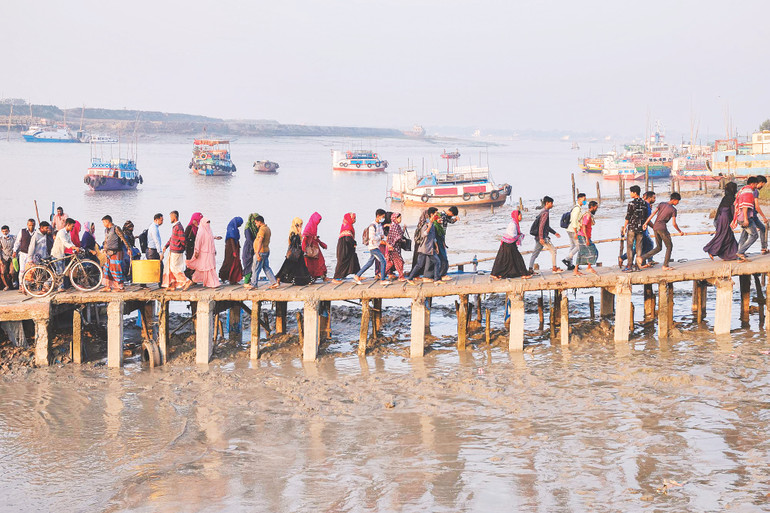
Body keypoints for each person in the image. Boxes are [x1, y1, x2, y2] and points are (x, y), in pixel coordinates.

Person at [641, 192, 683, 271]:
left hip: (655, 227)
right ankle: (665, 265)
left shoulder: (661, 204)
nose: (678, 203)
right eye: (678, 201)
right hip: (662, 228)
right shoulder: (673, 210)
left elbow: (653, 214)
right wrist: (680, 231)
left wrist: (646, 223)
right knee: (669, 246)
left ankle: (642, 257)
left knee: (659, 247)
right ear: (674, 200)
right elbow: (674, 223)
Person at [491, 209, 531, 280]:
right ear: (517, 216)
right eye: (520, 216)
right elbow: (512, 235)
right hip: (508, 243)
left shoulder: (515, 223)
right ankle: (523, 274)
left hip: (509, 243)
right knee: (516, 258)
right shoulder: (513, 224)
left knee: (505, 259)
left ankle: (497, 274)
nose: (521, 217)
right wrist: (519, 236)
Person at [704, 182, 739, 261]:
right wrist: (735, 220)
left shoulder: (725, 197)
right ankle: (711, 250)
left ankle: (730, 255)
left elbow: (720, 209)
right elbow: (732, 210)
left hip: (721, 218)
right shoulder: (731, 198)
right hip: (725, 218)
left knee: (728, 236)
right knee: (723, 235)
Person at [528, 196, 562, 274]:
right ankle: (554, 268)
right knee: (553, 250)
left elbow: (545, 226)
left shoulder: (542, 212)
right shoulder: (545, 213)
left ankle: (530, 269)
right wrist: (541, 238)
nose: (552, 205)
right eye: (551, 203)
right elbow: (541, 226)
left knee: (535, 253)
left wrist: (554, 232)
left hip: (539, 237)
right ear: (547, 203)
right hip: (542, 237)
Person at [275, 217, 313, 287]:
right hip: (296, 254)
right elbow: (294, 244)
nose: (301, 226)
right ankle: (279, 279)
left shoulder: (295, 233)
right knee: (289, 267)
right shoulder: (294, 234)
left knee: (298, 268)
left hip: (296, 253)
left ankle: (306, 280)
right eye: (299, 224)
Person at [354, 209, 389, 285]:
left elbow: (382, 235)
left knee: (370, 263)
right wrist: (380, 237)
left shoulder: (379, 225)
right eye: (382, 217)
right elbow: (372, 238)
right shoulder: (372, 226)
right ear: (378, 216)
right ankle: (382, 280)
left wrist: (383, 238)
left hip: (377, 246)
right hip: (373, 247)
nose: (383, 218)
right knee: (383, 261)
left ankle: (357, 275)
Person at [407, 211, 441, 284]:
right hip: (424, 249)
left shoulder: (433, 225)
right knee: (419, 264)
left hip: (430, 249)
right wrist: (429, 227)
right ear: (431, 215)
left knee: (437, 262)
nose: (436, 216)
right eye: (435, 214)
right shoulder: (425, 225)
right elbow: (424, 234)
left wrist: (436, 247)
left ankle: (436, 279)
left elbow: (434, 237)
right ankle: (410, 278)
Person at [161, 210, 192, 290]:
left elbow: (183, 240)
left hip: (177, 251)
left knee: (175, 268)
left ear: (175, 217)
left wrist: (181, 248)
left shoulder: (179, 227)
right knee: (170, 268)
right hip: (173, 250)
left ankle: (187, 281)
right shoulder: (175, 226)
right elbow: (172, 238)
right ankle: (172, 285)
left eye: (171, 217)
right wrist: (166, 246)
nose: (170, 219)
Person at [186, 217, 220, 288]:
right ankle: (211, 282)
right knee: (207, 267)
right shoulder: (201, 232)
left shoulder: (209, 231)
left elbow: (211, 240)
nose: (208, 224)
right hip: (204, 253)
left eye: (208, 223)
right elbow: (198, 242)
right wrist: (197, 251)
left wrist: (214, 250)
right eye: (206, 222)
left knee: (210, 267)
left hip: (210, 252)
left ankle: (205, 281)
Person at [245, 216, 276, 289]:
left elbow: (260, 241)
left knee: (255, 268)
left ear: (259, 222)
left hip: (261, 252)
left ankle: (253, 284)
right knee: (266, 267)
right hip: (266, 251)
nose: (256, 225)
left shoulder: (262, 230)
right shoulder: (267, 228)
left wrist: (257, 253)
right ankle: (274, 282)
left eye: (256, 223)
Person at [101, 216, 131, 292]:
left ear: (108, 221)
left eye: (104, 222)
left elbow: (123, 238)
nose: (103, 224)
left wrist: (128, 248)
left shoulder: (116, 228)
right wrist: (104, 249)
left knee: (116, 269)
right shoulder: (106, 230)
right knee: (106, 269)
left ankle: (121, 287)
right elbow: (106, 240)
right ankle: (107, 286)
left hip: (116, 252)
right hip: (108, 252)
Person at [621, 185, 647, 272]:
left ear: (634, 193)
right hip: (640, 228)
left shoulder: (631, 204)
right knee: (639, 247)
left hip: (632, 227)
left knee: (629, 246)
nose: (630, 194)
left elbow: (628, 216)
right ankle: (637, 265)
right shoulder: (644, 203)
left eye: (631, 192)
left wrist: (625, 227)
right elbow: (645, 216)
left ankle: (629, 265)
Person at [734, 177, 760, 261]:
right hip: (745, 217)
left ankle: (739, 257)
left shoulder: (743, 190)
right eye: (756, 184)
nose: (756, 186)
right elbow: (745, 206)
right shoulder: (748, 192)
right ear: (752, 184)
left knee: (744, 236)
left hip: (740, 217)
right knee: (754, 235)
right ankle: (740, 252)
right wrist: (746, 219)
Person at [333, 212, 360, 282]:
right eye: (353, 218)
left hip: (347, 246)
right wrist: (354, 243)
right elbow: (347, 238)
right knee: (342, 261)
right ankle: (336, 278)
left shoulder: (347, 225)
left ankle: (358, 274)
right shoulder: (348, 226)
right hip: (344, 247)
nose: (354, 220)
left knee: (354, 258)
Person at [50, 218, 77, 290]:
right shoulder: (61, 232)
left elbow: (70, 242)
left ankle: (59, 287)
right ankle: (55, 286)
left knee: (61, 272)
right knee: (59, 272)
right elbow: (65, 242)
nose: (73, 228)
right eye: (72, 226)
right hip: (56, 254)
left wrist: (76, 247)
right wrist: (73, 247)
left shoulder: (68, 233)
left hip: (61, 254)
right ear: (68, 225)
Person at [574, 201, 599, 276]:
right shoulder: (588, 215)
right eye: (596, 207)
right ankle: (587, 267)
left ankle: (586, 267)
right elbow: (584, 226)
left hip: (583, 236)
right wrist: (587, 238)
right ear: (593, 207)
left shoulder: (588, 214)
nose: (596, 209)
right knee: (594, 251)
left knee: (582, 252)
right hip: (583, 236)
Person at [562, 193, 586, 271]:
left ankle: (570, 264)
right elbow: (574, 221)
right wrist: (576, 232)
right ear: (579, 199)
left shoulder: (578, 208)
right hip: (573, 230)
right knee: (579, 246)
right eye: (584, 200)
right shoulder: (577, 209)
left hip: (570, 229)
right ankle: (567, 259)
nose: (585, 201)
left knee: (572, 246)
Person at [302, 212, 328, 282]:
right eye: (318, 220)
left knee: (320, 262)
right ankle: (313, 277)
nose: (319, 222)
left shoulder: (314, 226)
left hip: (315, 247)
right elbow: (305, 236)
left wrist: (320, 243)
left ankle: (322, 276)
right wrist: (304, 249)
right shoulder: (309, 226)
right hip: (310, 248)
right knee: (313, 263)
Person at [219, 217, 244, 284]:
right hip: (230, 248)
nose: (240, 225)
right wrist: (234, 251)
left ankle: (233, 279)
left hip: (234, 247)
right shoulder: (231, 229)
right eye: (240, 223)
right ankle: (224, 276)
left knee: (235, 262)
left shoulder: (235, 229)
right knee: (228, 262)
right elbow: (231, 239)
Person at [385, 212, 407, 281]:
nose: (400, 219)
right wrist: (402, 240)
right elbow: (397, 237)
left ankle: (382, 273)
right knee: (399, 261)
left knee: (391, 262)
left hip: (396, 247)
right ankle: (401, 276)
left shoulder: (397, 226)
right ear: (395, 218)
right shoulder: (394, 226)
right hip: (393, 247)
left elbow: (399, 235)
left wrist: (403, 229)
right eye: (399, 218)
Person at [184, 212, 203, 279]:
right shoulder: (189, 227)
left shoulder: (197, 228)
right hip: (189, 249)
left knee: (195, 263)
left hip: (194, 249)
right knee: (190, 263)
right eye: (198, 220)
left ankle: (193, 278)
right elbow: (185, 238)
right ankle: (188, 277)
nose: (198, 222)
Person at [752, 175, 769, 254]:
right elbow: (757, 207)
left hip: (749, 215)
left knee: (745, 234)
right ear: (761, 182)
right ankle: (763, 248)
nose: (762, 186)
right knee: (762, 228)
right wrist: (764, 217)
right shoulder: (755, 191)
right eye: (763, 184)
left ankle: (740, 250)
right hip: (752, 215)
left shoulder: (748, 190)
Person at [242, 213, 260, 285]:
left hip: (255, 247)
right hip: (249, 248)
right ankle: (246, 281)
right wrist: (255, 246)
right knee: (248, 264)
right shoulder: (248, 228)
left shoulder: (256, 228)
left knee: (254, 265)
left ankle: (250, 281)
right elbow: (249, 239)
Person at [0, 225, 16, 290]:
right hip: (4, 257)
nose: (5, 233)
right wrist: (0, 260)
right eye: (3, 231)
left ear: (9, 231)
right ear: (1, 231)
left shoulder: (13, 238)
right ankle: (6, 285)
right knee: (3, 272)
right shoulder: (0, 239)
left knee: (12, 272)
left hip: (12, 257)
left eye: (6, 231)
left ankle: (13, 282)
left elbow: (17, 246)